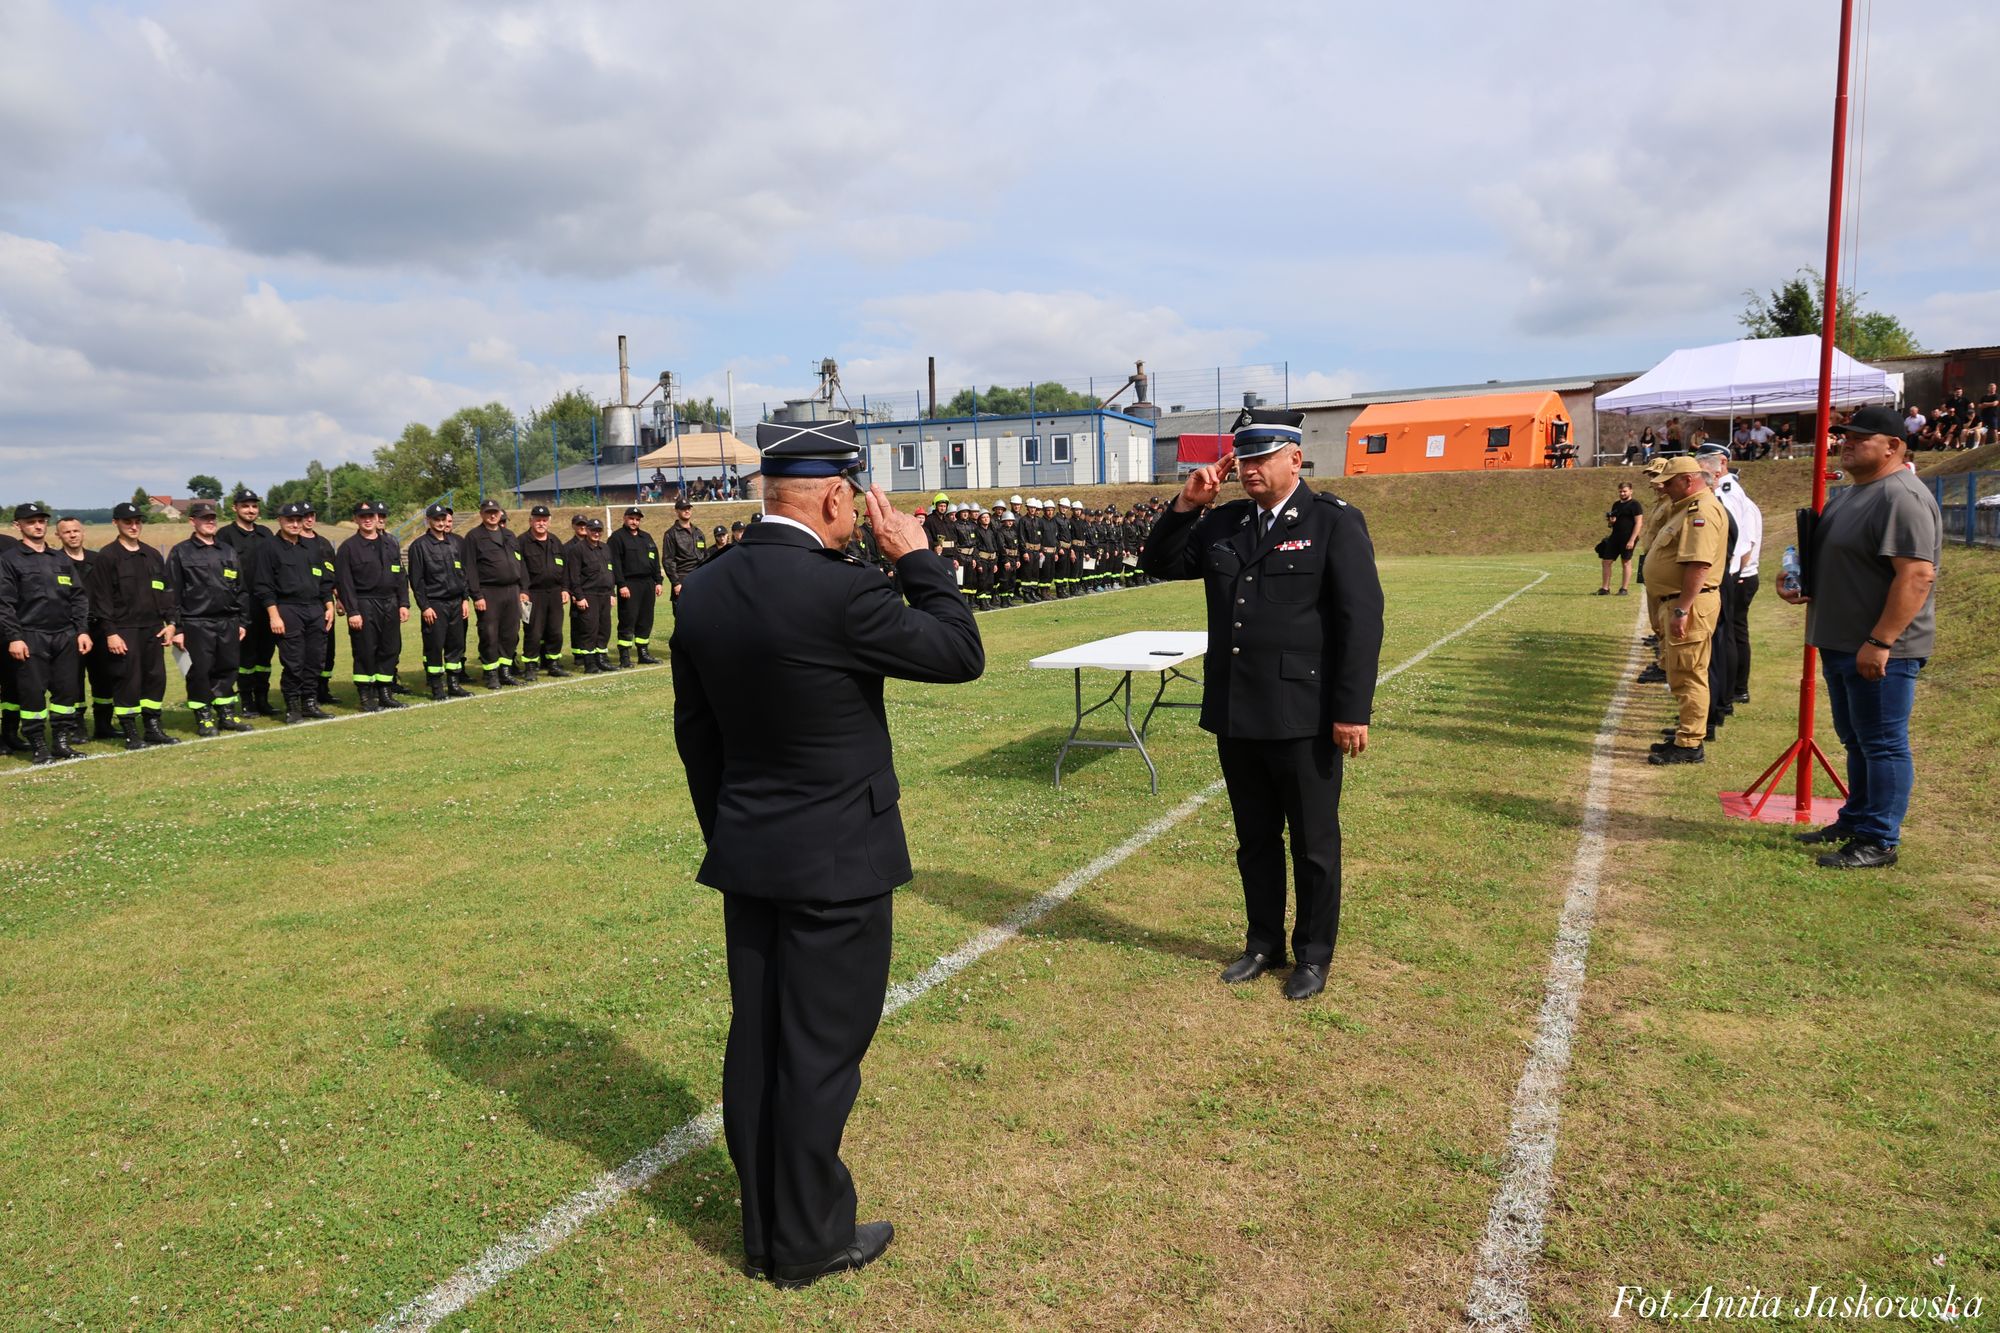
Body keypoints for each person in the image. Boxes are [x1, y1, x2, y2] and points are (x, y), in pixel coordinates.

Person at [671, 419, 983, 1288]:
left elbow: (696, 736)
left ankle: (766, 1226)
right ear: (838, 495)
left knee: (760, 1042)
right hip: (839, 859)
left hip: (752, 853)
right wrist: (917, 558)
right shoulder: (844, 592)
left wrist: (732, 831)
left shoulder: (705, 588)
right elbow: (960, 652)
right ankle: (807, 1241)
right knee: (818, 1052)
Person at [1139, 408, 1386, 1001]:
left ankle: (1314, 955)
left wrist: (1352, 710)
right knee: (1254, 838)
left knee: (1313, 842)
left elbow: (1362, 620)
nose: (1247, 469)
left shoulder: (1331, 522)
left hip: (1304, 713)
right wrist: (1186, 505)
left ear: (1294, 459)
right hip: (1238, 710)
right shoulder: (1223, 522)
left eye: (1259, 458)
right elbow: (1159, 564)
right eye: (1241, 459)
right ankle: (1261, 942)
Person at [1778, 405, 1941, 870]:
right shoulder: (1853, 494)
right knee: (1858, 739)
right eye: (1844, 436)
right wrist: (1794, 580)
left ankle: (1879, 839)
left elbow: (1916, 576)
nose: (1845, 442)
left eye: (1859, 437)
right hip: (1842, 640)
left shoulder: (1901, 497)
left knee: (1884, 742)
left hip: (1879, 647)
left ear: (1893, 446)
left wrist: (1883, 640)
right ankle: (1856, 819)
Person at [1640, 457, 1728, 765]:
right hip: (1679, 601)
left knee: (1689, 673)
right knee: (1680, 671)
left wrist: (1682, 609)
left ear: (1688, 480)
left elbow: (1699, 564)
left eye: (1669, 482)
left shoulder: (1700, 510)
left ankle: (1690, 744)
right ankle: (1685, 734)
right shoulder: (1687, 508)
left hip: (1689, 603)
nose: (1662, 487)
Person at [0, 503, 90, 763]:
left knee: (66, 691)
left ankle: (61, 742)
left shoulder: (60, 559)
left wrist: (82, 631)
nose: (38, 526)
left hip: (65, 636)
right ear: (18, 526)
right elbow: (4, 603)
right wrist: (14, 637)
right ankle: (38, 745)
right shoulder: (9, 560)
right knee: (32, 692)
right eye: (31, 522)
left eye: (41, 521)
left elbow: (78, 597)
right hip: (30, 635)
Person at [87, 501, 180, 749]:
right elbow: (101, 598)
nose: (134, 526)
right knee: (127, 680)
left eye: (138, 521)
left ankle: (152, 729)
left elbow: (165, 591)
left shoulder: (151, 554)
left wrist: (171, 623)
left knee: (155, 678)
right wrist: (110, 633)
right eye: (128, 522)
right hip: (123, 629)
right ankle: (131, 733)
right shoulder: (107, 556)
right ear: (116, 523)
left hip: (153, 628)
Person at [167, 500, 254, 736]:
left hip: (228, 621)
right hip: (196, 622)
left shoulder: (227, 551)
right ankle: (204, 716)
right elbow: (172, 593)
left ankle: (226, 714)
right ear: (192, 521)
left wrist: (243, 622)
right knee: (199, 671)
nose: (210, 522)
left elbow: (241, 589)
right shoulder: (181, 552)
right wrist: (178, 628)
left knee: (227, 669)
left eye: (212, 518)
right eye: (204, 518)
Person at [251, 501, 335, 725]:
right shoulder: (269, 548)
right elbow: (263, 586)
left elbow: (324, 581)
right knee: (294, 661)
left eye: (299, 520)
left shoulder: (312, 548)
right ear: (280, 520)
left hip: (315, 608)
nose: (296, 524)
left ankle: (310, 702)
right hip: (287, 609)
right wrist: (274, 615)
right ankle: (293, 706)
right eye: (291, 520)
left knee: (315, 659)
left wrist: (329, 605)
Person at [335, 500, 411, 713]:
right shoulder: (348, 548)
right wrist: (353, 611)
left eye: (372, 516)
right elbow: (345, 583)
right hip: (364, 603)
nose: (368, 520)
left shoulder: (390, 543)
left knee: (390, 649)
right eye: (363, 517)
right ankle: (366, 696)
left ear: (378, 518)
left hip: (390, 602)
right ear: (355, 520)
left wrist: (403, 603)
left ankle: (385, 693)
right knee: (366, 650)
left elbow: (400, 575)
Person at [53, 516, 113, 746]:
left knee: (104, 678)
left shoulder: (98, 560)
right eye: (66, 532)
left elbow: (109, 594)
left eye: (76, 530)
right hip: (70, 629)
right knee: (72, 681)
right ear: (58, 536)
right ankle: (76, 727)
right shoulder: (55, 561)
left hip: (98, 626)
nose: (72, 535)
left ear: (83, 532)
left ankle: (104, 724)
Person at [214, 488, 275, 714]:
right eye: (245, 506)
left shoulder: (266, 534)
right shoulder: (225, 535)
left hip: (265, 604)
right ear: (235, 508)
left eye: (254, 506)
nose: (251, 510)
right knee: (245, 657)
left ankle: (263, 699)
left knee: (265, 656)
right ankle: (247, 700)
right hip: (240, 605)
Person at [1710, 455, 1764, 706]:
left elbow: (1746, 544)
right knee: (1733, 632)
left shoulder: (1741, 503)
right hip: (1740, 574)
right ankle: (1734, 687)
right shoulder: (1743, 502)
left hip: (1742, 576)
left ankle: (1737, 687)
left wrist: (1737, 575)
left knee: (1734, 633)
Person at [407, 502, 472, 700]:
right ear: (428, 521)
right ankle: (437, 688)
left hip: (456, 602)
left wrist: (464, 599)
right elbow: (416, 580)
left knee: (456, 645)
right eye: (437, 519)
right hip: (435, 604)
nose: (441, 523)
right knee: (435, 646)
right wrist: (424, 606)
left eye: (444, 519)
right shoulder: (419, 546)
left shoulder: (454, 543)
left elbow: (463, 574)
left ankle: (454, 684)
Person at [464, 498, 526, 689]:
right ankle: (491, 674)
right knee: (489, 634)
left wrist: (524, 589)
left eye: (495, 512)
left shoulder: (509, 535)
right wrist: (477, 595)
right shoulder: (474, 537)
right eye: (488, 512)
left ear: (500, 513)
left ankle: (505, 671)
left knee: (510, 633)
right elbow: (470, 568)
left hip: (512, 591)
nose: (492, 515)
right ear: (481, 514)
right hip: (489, 591)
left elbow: (520, 563)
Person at [518, 504, 569, 679]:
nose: (541, 523)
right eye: (538, 520)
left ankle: (553, 663)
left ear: (549, 521)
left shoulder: (555, 541)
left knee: (555, 631)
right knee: (533, 631)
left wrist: (564, 588)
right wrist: (522, 590)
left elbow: (565, 568)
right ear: (530, 521)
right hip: (532, 593)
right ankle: (531, 666)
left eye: (544, 520)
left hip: (554, 593)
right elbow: (519, 569)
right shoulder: (522, 542)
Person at [608, 506, 663, 665]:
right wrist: (621, 584)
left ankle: (643, 653)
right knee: (628, 618)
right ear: (625, 518)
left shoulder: (646, 537)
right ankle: (624, 656)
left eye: (637, 519)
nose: (634, 521)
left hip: (647, 584)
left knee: (646, 619)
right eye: (631, 518)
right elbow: (615, 564)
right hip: (629, 584)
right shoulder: (617, 538)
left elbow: (654, 560)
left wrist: (658, 581)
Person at [565, 517, 615, 673]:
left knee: (604, 628)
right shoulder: (578, 550)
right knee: (589, 630)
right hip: (589, 594)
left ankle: (601, 659)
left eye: (599, 530)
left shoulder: (605, 548)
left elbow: (610, 571)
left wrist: (612, 592)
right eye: (593, 530)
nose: (596, 533)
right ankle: (589, 663)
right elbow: (574, 576)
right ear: (587, 530)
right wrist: (579, 597)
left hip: (605, 594)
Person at [1595, 482, 1645, 595]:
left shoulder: (1635, 505)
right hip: (1615, 536)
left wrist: (1632, 540)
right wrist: (1611, 522)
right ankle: (1605, 588)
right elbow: (1613, 523)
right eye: (1620, 491)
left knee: (1626, 562)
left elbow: (1638, 523)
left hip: (1628, 537)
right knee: (1606, 561)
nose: (1622, 493)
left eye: (1624, 491)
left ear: (1631, 491)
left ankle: (1624, 589)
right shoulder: (1616, 504)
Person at [662, 499, 705, 612]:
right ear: (677, 511)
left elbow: (704, 556)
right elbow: (668, 561)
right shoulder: (671, 534)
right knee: (682, 616)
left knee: (701, 614)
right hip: (682, 578)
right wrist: (676, 583)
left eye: (688, 508)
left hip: (699, 578)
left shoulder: (698, 532)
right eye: (683, 509)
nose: (687, 511)